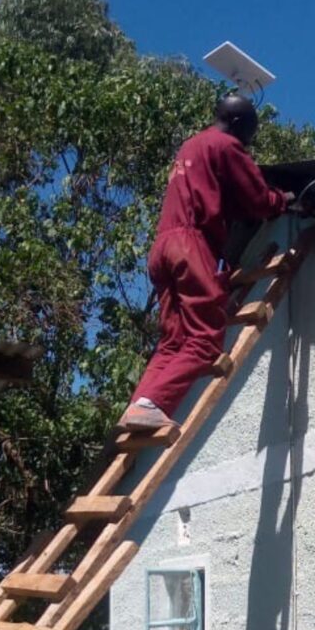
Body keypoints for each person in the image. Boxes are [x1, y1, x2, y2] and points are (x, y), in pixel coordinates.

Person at [119, 94, 296, 432]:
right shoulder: (226, 147)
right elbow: (256, 198)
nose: (248, 143)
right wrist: (281, 201)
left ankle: (139, 405)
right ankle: (151, 404)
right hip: (191, 245)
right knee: (205, 339)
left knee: (173, 339)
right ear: (240, 124)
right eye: (249, 135)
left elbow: (218, 196)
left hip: (162, 246)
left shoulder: (191, 147)